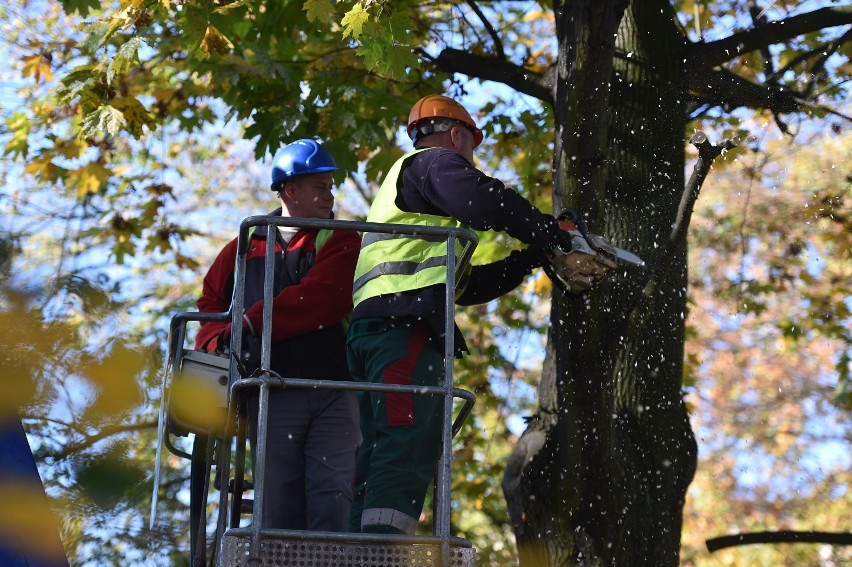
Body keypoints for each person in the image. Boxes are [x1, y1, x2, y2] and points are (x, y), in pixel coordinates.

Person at [346, 94, 590, 534]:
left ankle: (356, 544)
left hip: (381, 329)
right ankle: (379, 549)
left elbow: (468, 286)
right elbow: (486, 201)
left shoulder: (414, 204)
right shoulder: (432, 163)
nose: (471, 161)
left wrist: (530, 256)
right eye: (472, 149)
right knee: (405, 441)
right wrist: (550, 231)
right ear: (458, 136)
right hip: (402, 328)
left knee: (380, 447)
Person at [194, 138, 361, 531]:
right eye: (319, 186)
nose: (329, 195)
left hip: (332, 388)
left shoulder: (339, 239)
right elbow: (211, 307)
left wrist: (250, 323)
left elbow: (322, 298)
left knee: (332, 498)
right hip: (269, 390)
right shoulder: (243, 246)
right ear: (291, 190)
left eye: (330, 186)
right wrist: (216, 342)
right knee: (277, 505)